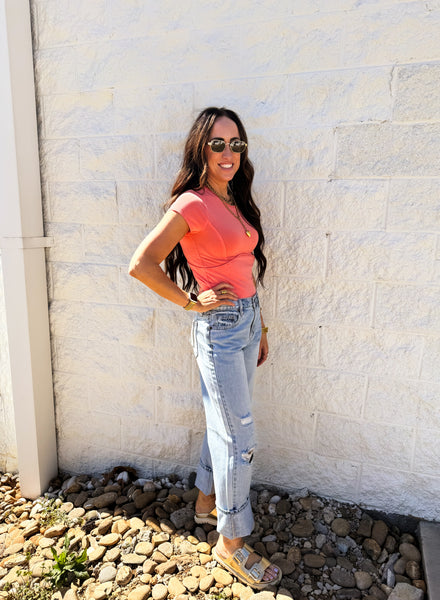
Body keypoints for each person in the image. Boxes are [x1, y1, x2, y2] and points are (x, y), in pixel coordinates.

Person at [128, 107, 281, 589]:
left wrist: (261, 326)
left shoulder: (233, 197)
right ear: (201, 148)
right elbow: (141, 264)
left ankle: (204, 503)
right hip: (219, 329)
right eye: (218, 144)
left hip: (247, 322)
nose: (228, 152)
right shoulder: (192, 203)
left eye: (236, 144)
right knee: (240, 438)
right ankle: (231, 544)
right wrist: (192, 302)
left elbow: (243, 269)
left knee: (226, 425)